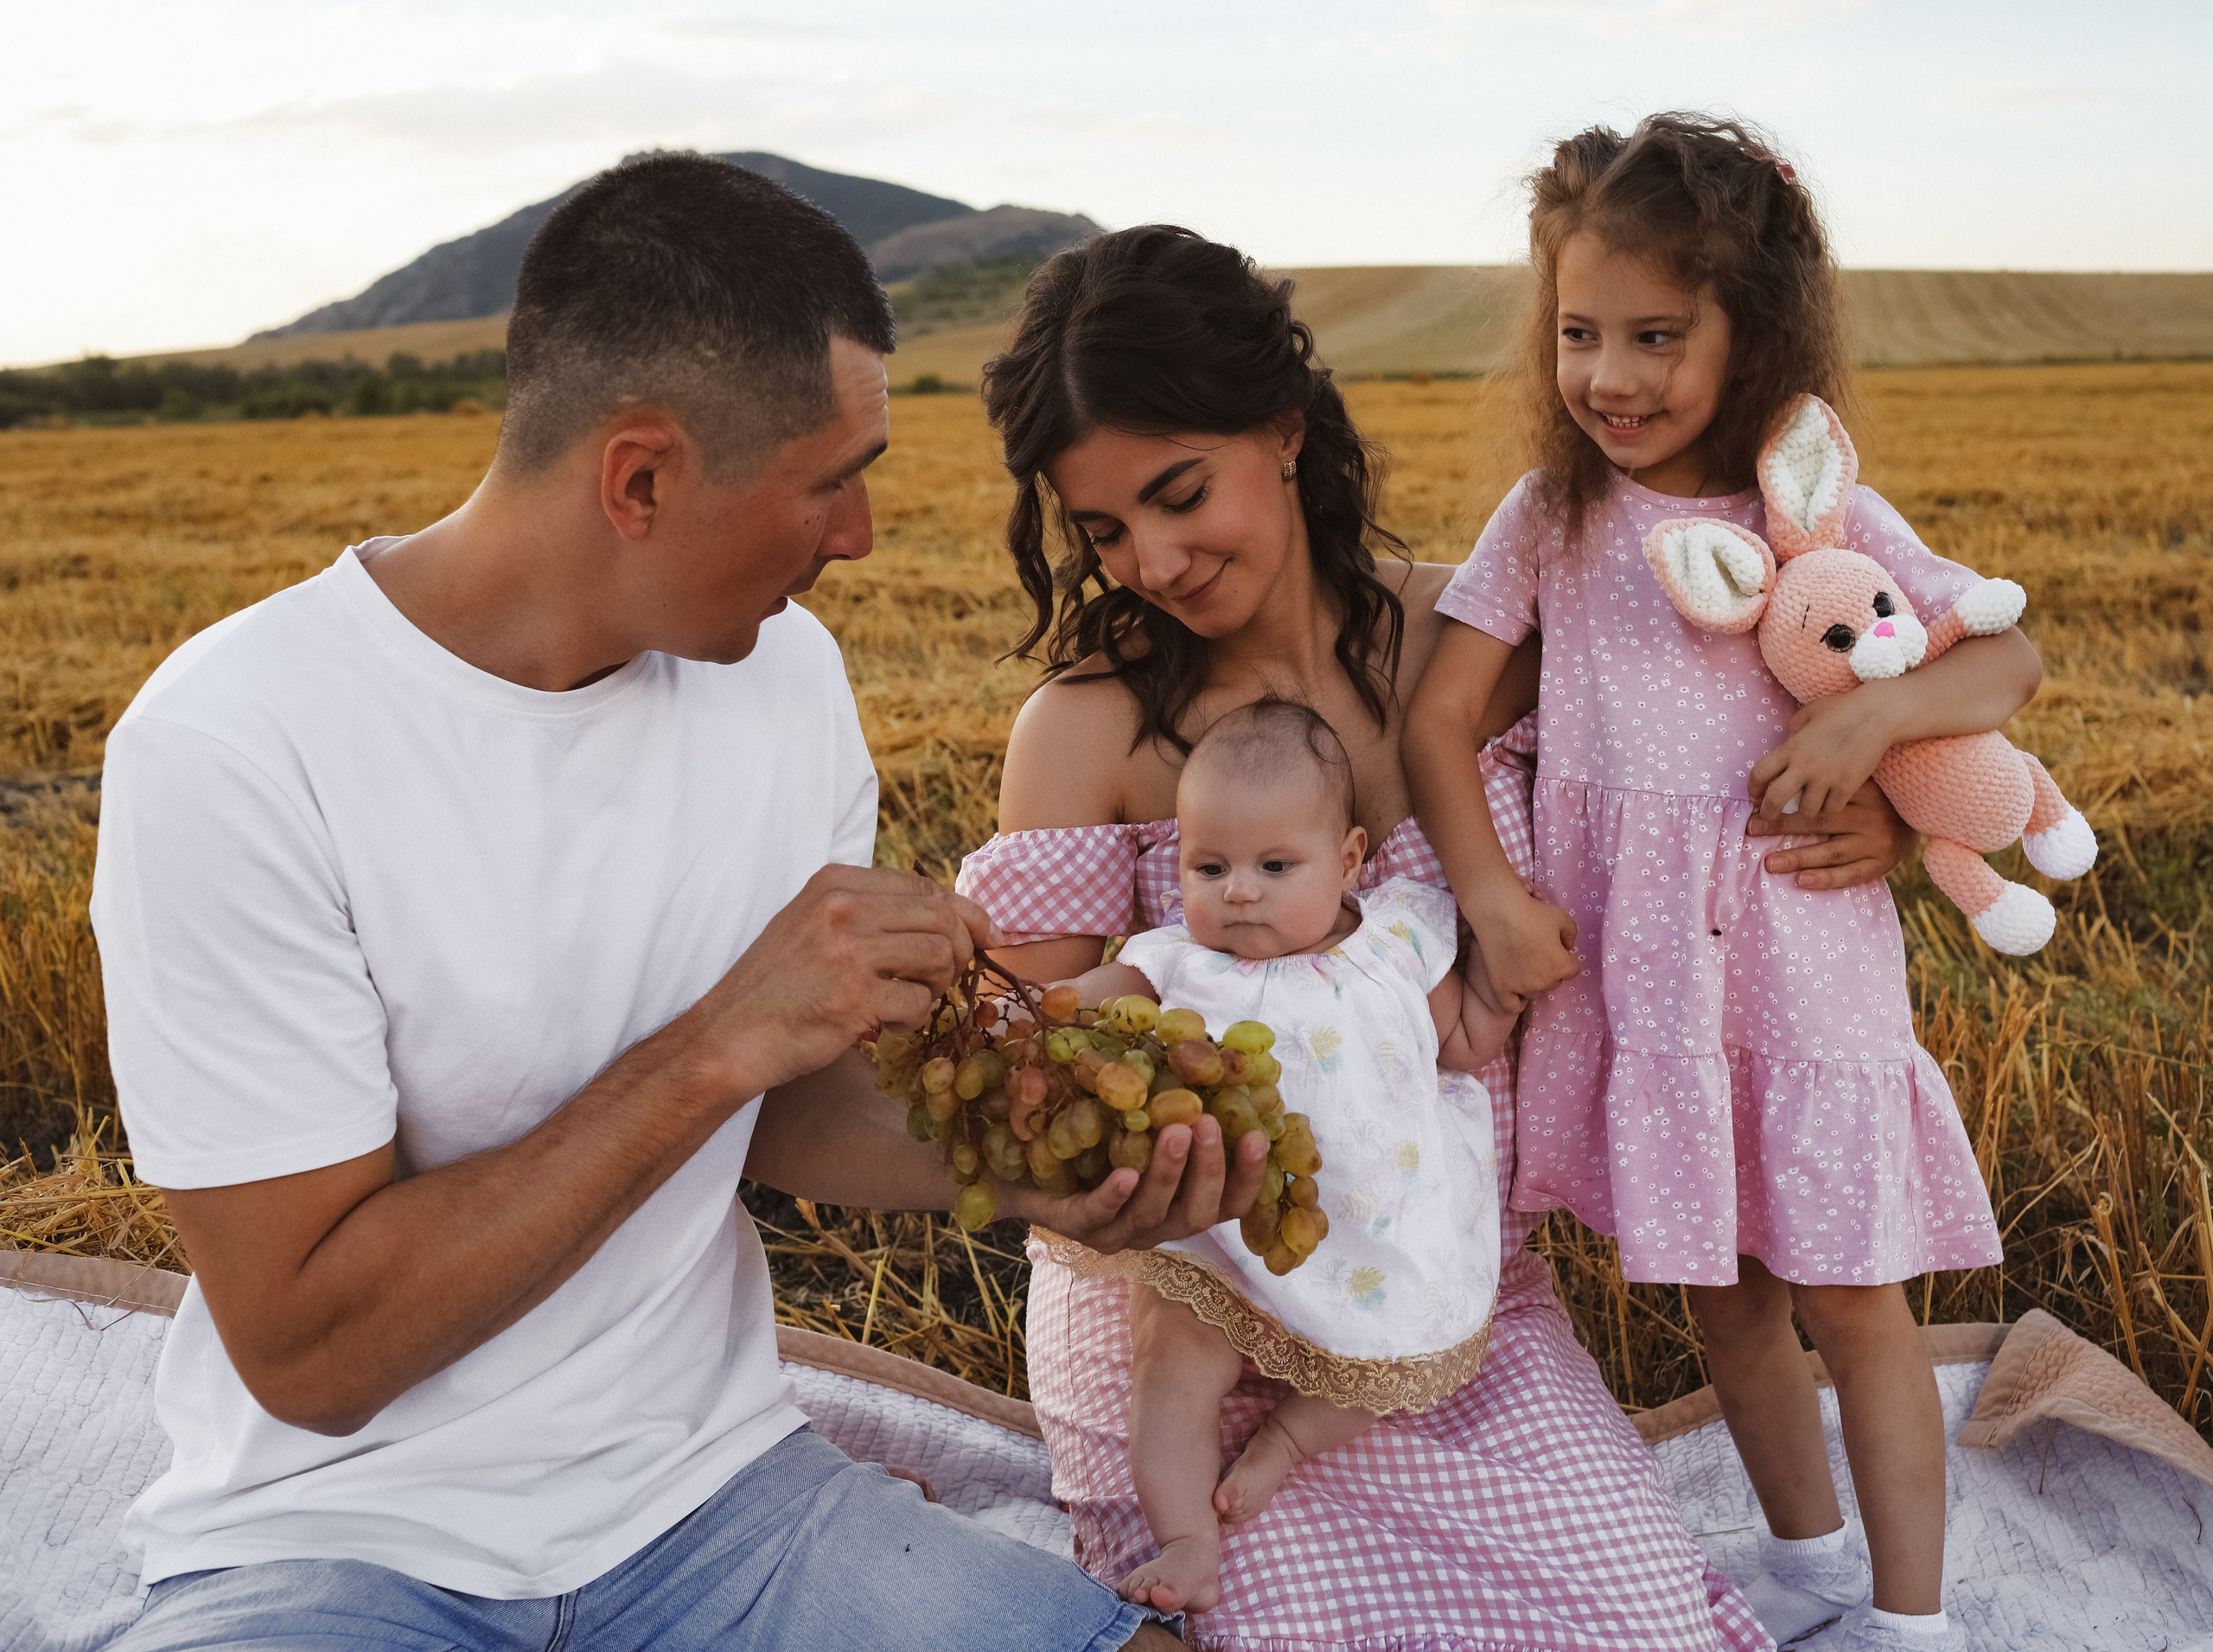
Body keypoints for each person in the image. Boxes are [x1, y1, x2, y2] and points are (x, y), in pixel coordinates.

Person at [88, 154, 1242, 1652]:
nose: (862, 540)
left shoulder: (784, 681)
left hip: (712, 1501)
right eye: (832, 483)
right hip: (335, 1544)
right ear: (640, 477)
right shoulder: (237, 744)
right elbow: (311, 1350)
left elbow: (780, 1109)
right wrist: (717, 1039)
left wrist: (1047, 1173)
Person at [959, 222, 1918, 1651]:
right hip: (1188, 1336)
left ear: (1282, 431)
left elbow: (1695, 787)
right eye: (1101, 530)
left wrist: (1873, 810)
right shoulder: (1086, 732)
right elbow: (1021, 1088)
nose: (1148, 560)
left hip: (1454, 1298)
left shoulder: (1481, 643)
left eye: (1178, 494)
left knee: (1644, 1632)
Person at [1404, 116, 2030, 1652]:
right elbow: (1437, 714)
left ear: (1753, 334)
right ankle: (1806, 1557)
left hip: (1800, 962)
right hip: (1641, 979)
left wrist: (1877, 715)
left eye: (1658, 335)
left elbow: (2002, 655)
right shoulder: (1554, 520)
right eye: (1579, 333)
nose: (1610, 375)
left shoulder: (1805, 513)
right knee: (1726, 1296)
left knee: (1855, 1292)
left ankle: (1911, 1616)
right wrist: (1486, 890)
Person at [1053, 698, 1508, 1616]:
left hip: (1368, 1219)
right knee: (1170, 1368)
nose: (1239, 892)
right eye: (1208, 866)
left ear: (1346, 860)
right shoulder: (1179, 963)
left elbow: (1458, 1043)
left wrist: (1506, 993)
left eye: (1273, 866)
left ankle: (1291, 1440)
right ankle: (1188, 1537)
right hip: (1220, 1229)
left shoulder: (1393, 938)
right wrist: (1046, 1011)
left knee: (1395, 1354)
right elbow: (1103, 999)